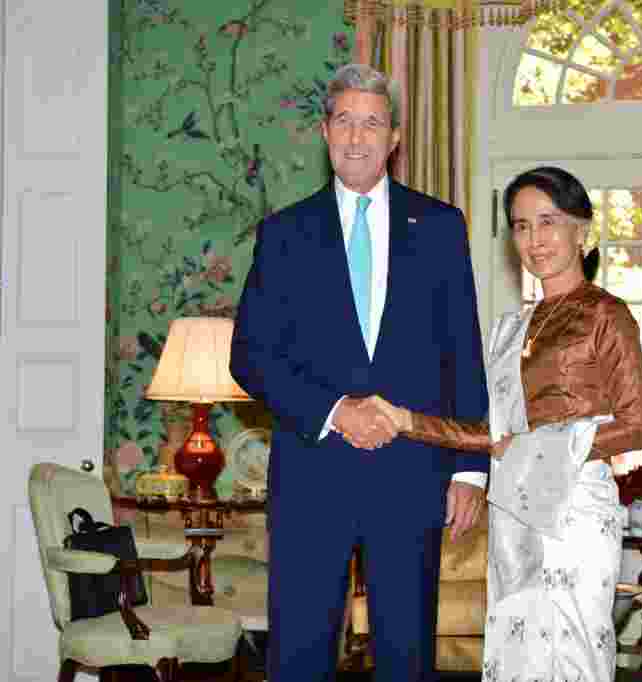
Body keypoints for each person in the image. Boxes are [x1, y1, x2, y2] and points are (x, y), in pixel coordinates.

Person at [229, 63, 490, 681]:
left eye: (371, 121)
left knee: (406, 655)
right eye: (343, 119)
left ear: (394, 137)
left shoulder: (442, 227)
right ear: (325, 132)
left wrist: (472, 468)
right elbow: (250, 355)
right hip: (313, 471)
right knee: (299, 653)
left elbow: (463, 353)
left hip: (412, 472)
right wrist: (337, 410)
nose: (356, 134)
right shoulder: (284, 233)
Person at [370, 166, 642, 681]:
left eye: (548, 222)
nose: (534, 240)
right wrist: (406, 419)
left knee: (574, 654)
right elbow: (490, 437)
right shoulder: (509, 328)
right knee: (515, 654)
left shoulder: (606, 316)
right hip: (512, 512)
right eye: (521, 226)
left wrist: (542, 447)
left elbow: (635, 425)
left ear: (581, 229)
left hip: (575, 511)